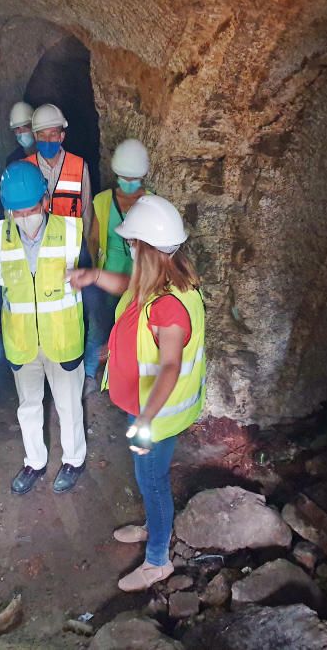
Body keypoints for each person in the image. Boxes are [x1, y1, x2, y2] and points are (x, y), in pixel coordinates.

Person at [67, 195, 205, 592]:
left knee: (153, 481)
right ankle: (153, 526)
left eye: (132, 243)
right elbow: (127, 289)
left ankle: (158, 561)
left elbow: (170, 366)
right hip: (144, 409)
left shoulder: (170, 308)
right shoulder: (159, 283)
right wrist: (93, 277)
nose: (128, 248)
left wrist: (145, 420)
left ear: (146, 249)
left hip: (156, 416)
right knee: (149, 480)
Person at [0, 161, 88, 495]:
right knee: (28, 406)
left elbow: (90, 283)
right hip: (22, 338)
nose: (24, 218)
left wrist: (95, 335)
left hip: (63, 336)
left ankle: (73, 460)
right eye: (16, 212)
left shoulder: (71, 232)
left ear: (45, 202)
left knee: (69, 404)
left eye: (30, 209)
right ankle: (34, 462)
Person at [82, 138, 150, 398]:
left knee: (134, 333)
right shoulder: (102, 201)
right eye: (124, 177)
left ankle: (126, 383)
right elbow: (94, 240)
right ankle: (89, 374)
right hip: (108, 276)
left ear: (143, 175)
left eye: (134, 178)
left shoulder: (151, 202)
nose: (129, 182)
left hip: (139, 279)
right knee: (99, 327)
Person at [22, 104, 93, 235]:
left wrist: (86, 249)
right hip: (39, 248)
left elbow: (87, 214)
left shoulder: (79, 166)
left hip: (71, 248)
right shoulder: (24, 168)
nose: (47, 140)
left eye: (53, 134)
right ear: (35, 137)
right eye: (42, 135)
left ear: (61, 136)